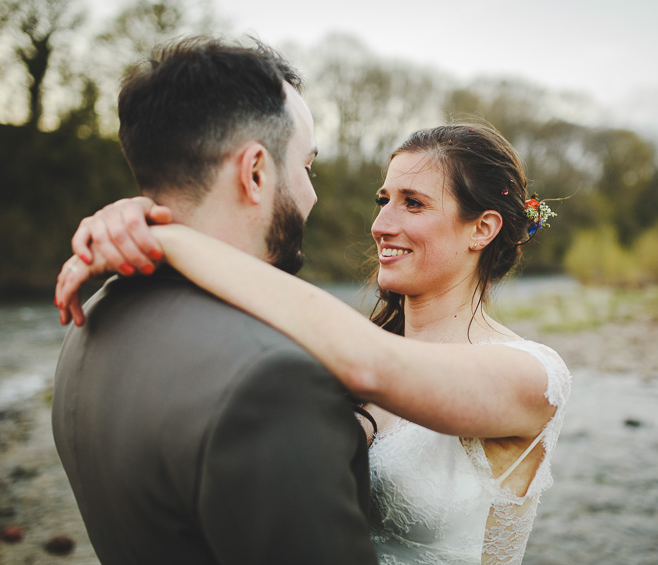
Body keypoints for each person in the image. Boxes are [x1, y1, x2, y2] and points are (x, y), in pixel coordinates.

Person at [57, 123, 572, 564]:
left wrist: (168, 238)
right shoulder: (348, 345)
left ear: (482, 228)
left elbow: (374, 367)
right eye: (383, 200)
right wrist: (145, 219)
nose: (380, 225)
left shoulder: (532, 376)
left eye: (412, 204)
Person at [50, 36, 378, 565]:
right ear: (255, 173)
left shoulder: (92, 320)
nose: (313, 193)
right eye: (307, 167)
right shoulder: (270, 379)